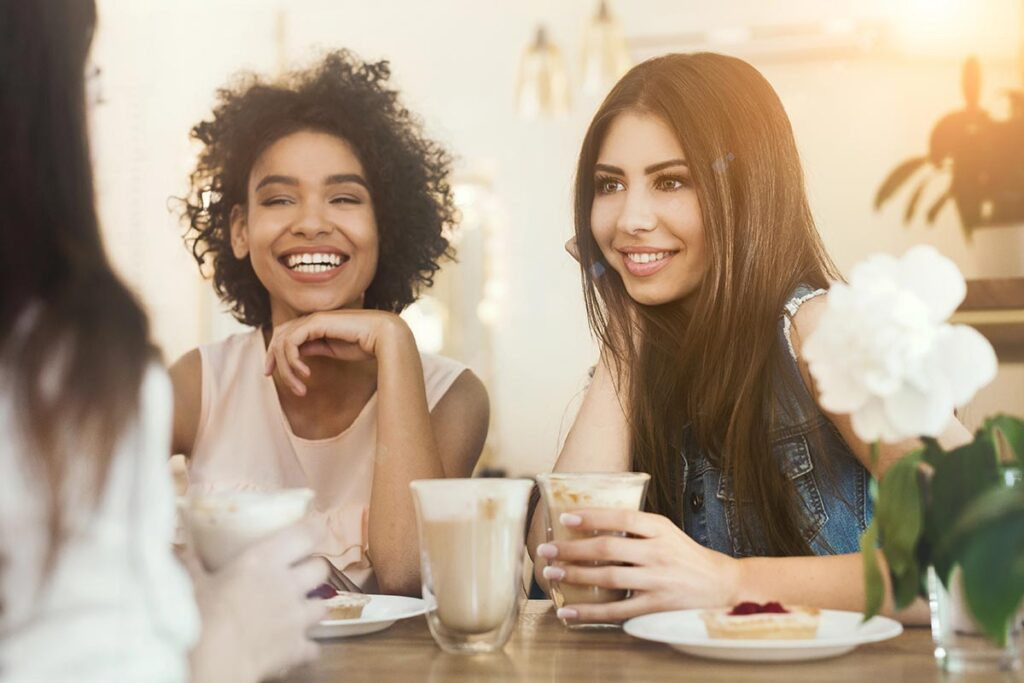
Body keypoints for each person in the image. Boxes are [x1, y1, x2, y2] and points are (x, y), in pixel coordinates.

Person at [526, 52, 971, 625]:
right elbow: (566, 572)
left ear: (747, 191)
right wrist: (623, 335)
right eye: (610, 184)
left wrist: (730, 582)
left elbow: (994, 553)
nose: (630, 218)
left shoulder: (826, 330)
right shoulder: (642, 352)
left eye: (671, 181)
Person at [0, 2, 326, 680]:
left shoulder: (59, 355)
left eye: (343, 198)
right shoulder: (74, 365)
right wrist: (225, 647)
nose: (311, 223)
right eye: (89, 89)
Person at [172, 50, 489, 596]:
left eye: (344, 198)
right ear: (241, 231)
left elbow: (406, 574)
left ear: (382, 227)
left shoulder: (454, 397)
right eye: (279, 199)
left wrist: (394, 340)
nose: (312, 222)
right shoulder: (199, 385)